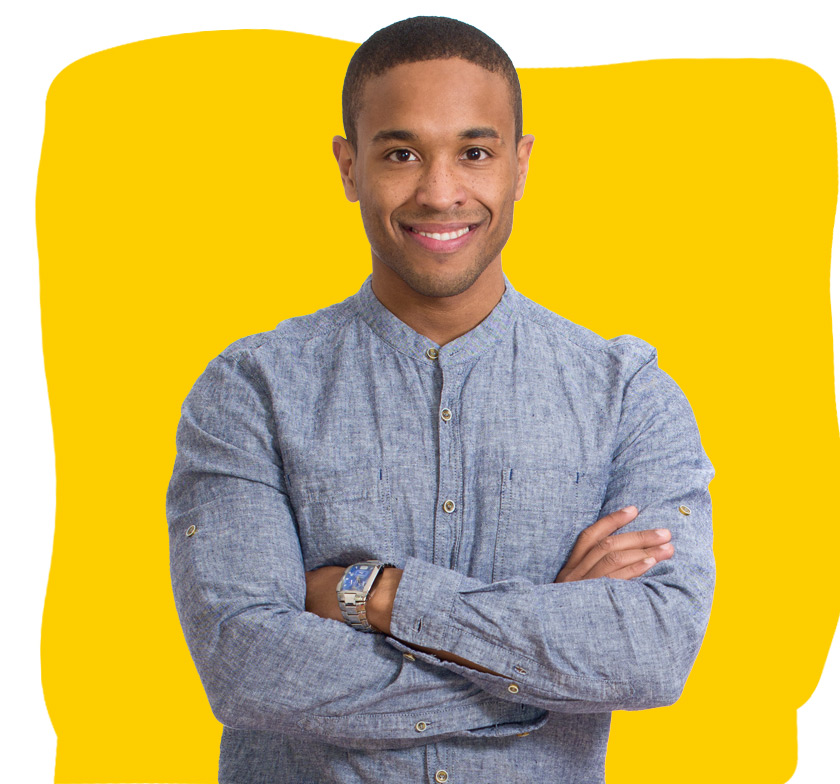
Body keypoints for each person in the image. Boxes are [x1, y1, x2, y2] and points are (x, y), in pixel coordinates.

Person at [167, 15, 715, 783]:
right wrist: (543, 666)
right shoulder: (250, 391)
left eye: (475, 152)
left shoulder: (628, 396)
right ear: (349, 165)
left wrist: (374, 597)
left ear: (520, 165)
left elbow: (652, 652)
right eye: (400, 154)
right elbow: (250, 667)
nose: (440, 191)